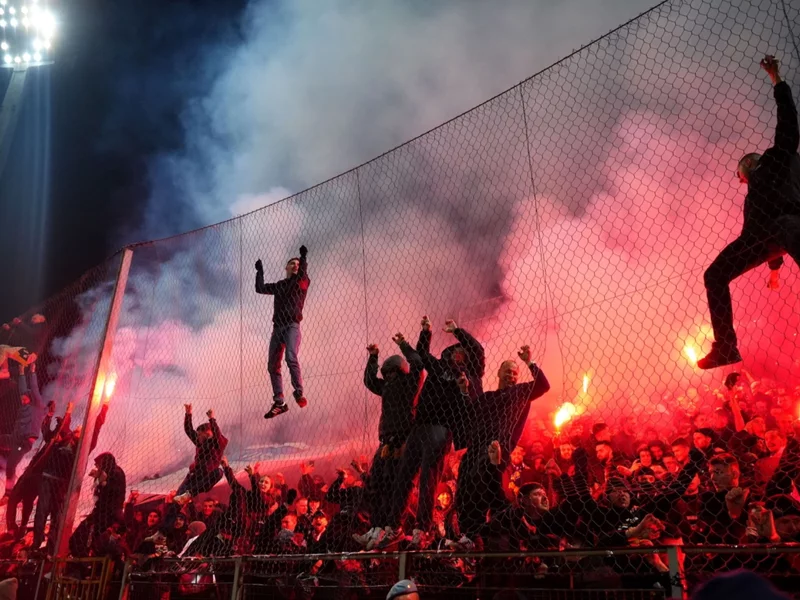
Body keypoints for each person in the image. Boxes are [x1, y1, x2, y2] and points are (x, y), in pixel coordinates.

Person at [699, 55, 800, 369]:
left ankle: (727, 347)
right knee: (714, 275)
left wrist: (776, 80)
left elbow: (788, 125)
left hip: (785, 225)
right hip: (765, 237)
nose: (740, 180)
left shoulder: (775, 161)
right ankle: (726, 347)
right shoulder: (761, 191)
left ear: (747, 167)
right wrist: (773, 269)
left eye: (739, 174)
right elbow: (770, 231)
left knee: (785, 229)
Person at [379, 317, 485, 549]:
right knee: (404, 478)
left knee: (428, 479)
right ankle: (394, 527)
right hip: (420, 427)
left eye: (461, 351)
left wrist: (458, 330)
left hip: (441, 428)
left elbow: (477, 349)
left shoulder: (471, 374)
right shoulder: (439, 369)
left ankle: (422, 529)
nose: (456, 354)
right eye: (453, 351)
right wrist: (423, 333)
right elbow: (421, 356)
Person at [455, 345, 550, 545]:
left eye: (515, 373)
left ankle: (479, 535)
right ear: (498, 373)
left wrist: (529, 362)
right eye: (507, 371)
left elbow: (543, 385)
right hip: (476, 447)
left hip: (499, 445)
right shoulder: (487, 397)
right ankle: (468, 535)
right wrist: (464, 391)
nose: (511, 375)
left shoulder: (520, 392)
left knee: (483, 479)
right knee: (464, 483)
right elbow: (471, 412)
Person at [355, 333, 424, 550]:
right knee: (378, 485)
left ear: (400, 371)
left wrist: (403, 345)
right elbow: (369, 381)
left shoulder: (409, 383)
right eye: (388, 374)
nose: (390, 377)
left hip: (402, 441)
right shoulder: (388, 386)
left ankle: (387, 527)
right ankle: (377, 529)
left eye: (392, 372)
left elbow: (418, 364)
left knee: (393, 486)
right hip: (386, 441)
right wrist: (373, 358)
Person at [256, 245, 311, 418]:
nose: (295, 266)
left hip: (292, 326)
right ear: (286, 268)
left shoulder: (301, 283)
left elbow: (302, 274)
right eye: (292, 263)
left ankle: (298, 392)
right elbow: (260, 288)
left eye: (297, 264)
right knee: (272, 364)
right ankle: (279, 402)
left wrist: (303, 257)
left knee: (291, 357)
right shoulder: (280, 285)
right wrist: (260, 271)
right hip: (277, 328)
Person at [0, 362, 46, 501]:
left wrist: (32, 371)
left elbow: (34, 387)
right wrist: (21, 372)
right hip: (14, 438)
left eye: (25, 397)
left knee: (11, 466)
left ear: (31, 397)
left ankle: (8, 494)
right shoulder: (24, 404)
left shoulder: (37, 405)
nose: (22, 398)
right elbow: (22, 388)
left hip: (23, 442)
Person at [69, 452, 126, 557]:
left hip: (107, 514)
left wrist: (102, 479)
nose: (96, 466)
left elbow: (111, 492)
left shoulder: (115, 473)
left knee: (86, 537)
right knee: (84, 537)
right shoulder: (114, 472)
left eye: (98, 464)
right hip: (103, 514)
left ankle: (86, 560)